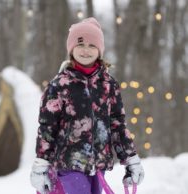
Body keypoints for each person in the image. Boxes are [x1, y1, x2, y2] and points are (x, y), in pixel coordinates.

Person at [30, 17, 144, 194]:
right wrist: (41, 163)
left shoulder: (108, 85)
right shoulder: (59, 85)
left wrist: (130, 159)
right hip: (68, 166)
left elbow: (117, 125)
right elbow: (47, 129)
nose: (86, 50)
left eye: (92, 46)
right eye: (80, 45)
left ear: (99, 50)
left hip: (98, 168)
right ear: (71, 49)